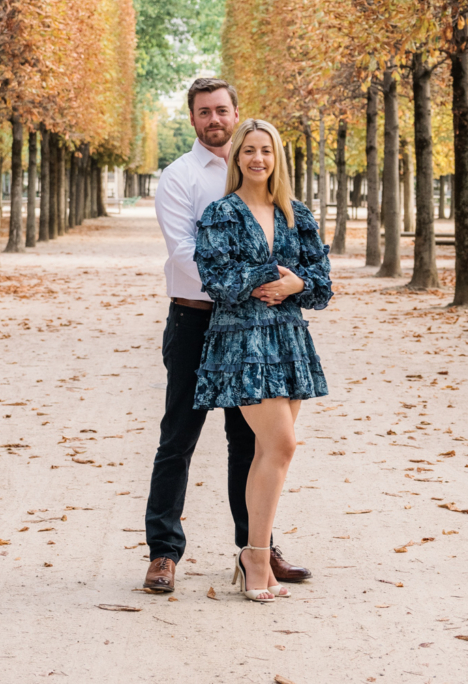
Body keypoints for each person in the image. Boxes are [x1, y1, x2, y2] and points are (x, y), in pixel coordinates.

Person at [143, 78, 313, 596]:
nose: (214, 119)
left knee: (253, 441)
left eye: (221, 110)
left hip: (257, 331)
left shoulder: (261, 172)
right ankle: (164, 552)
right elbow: (184, 254)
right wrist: (264, 282)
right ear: (193, 118)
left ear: (236, 113)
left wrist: (284, 285)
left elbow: (306, 263)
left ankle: (253, 547)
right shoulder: (180, 177)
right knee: (179, 437)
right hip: (197, 320)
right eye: (203, 112)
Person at [194, 117, 331, 602]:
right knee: (282, 446)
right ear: (238, 159)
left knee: (268, 453)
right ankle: (255, 554)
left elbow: (322, 284)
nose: (258, 159)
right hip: (241, 342)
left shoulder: (298, 215)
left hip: (288, 339)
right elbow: (219, 281)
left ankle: (257, 550)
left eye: (266, 151)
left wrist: (298, 283)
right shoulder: (219, 214)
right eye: (249, 150)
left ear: (277, 159)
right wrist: (273, 272)